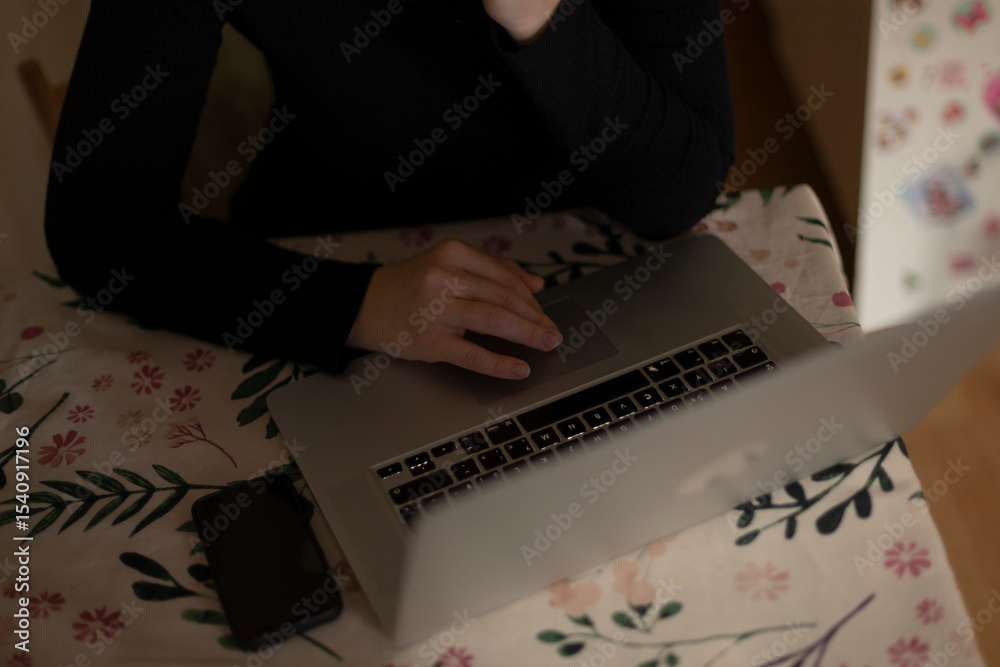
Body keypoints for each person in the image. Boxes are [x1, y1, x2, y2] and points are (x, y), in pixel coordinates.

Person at [44, 0, 734, 379]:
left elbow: (678, 193)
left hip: (585, 259)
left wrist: (540, 16)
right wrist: (361, 304)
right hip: (319, 268)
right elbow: (100, 229)